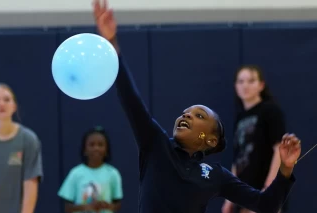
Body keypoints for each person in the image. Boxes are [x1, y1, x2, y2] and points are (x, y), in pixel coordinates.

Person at [92, 1, 301, 212]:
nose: (187, 115)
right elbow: (130, 99)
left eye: (199, 116)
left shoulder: (215, 174)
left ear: (210, 140)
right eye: (185, 113)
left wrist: (285, 168)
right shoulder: (156, 144)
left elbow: (266, 205)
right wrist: (112, 42)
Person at [222, 66, 288, 213]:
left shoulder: (270, 111)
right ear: (235, 86)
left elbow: (279, 150)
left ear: (261, 85)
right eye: (241, 81)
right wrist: (229, 197)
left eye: (251, 81)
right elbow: (237, 159)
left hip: (264, 191)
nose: (245, 85)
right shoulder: (240, 118)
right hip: (244, 193)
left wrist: (269, 189)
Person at [0, 83, 43, 213]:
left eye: (7, 99)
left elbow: (30, 183)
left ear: (14, 106)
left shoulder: (28, 139)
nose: (1, 104)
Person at [58, 126, 123, 213]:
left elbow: (117, 204)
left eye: (100, 145)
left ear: (106, 150)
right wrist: (86, 207)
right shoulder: (75, 173)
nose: (96, 148)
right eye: (92, 145)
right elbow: (67, 208)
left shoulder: (113, 173)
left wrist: (107, 206)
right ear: (84, 150)